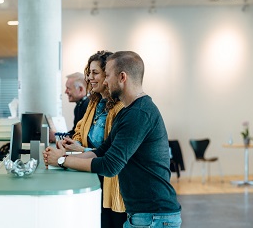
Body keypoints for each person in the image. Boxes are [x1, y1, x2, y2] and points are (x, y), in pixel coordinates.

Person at [44, 51, 182, 228]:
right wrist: (62, 157)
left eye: (107, 75)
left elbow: (110, 165)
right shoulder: (127, 112)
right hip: (144, 215)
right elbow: (100, 152)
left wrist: (63, 160)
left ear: (122, 77)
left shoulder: (138, 114)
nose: (105, 81)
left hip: (153, 217)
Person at [63, 51, 126, 228]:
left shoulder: (120, 109)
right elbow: (79, 129)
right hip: (93, 175)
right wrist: (73, 143)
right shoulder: (94, 102)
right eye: (89, 72)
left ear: (108, 75)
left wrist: (79, 151)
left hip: (112, 184)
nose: (89, 77)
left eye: (95, 73)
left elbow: (110, 153)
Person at [64, 72, 89, 137]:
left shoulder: (88, 106)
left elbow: (81, 135)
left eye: (68, 88)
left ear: (80, 89)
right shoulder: (79, 106)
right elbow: (75, 132)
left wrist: (57, 136)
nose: (65, 92)